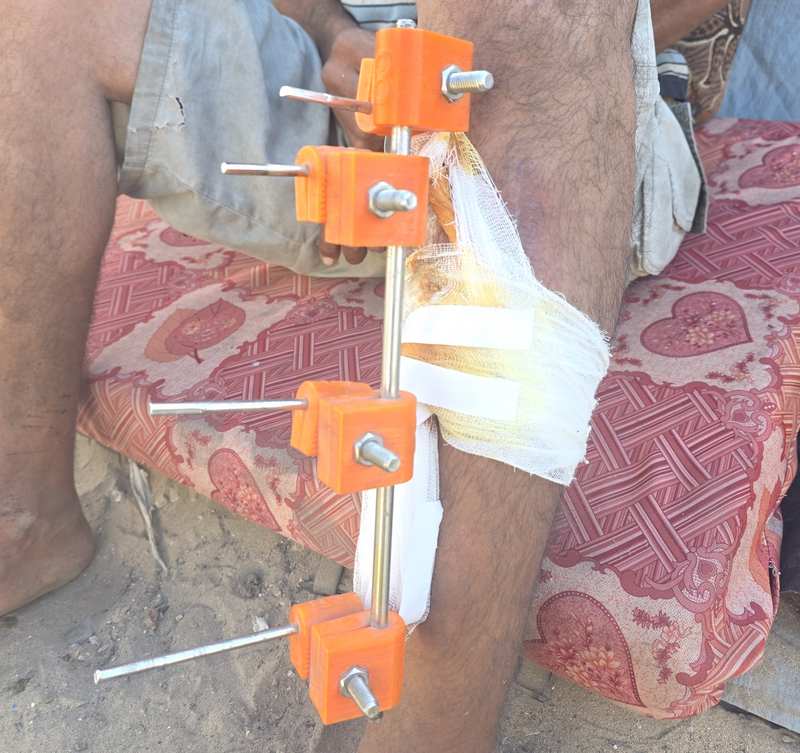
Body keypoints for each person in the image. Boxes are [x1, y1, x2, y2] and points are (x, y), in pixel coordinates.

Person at [0, 0, 735, 750]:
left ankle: (435, 733)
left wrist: (501, 45)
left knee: (527, 17)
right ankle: (24, 517)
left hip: (569, 100)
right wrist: (336, 35)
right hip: (353, 104)